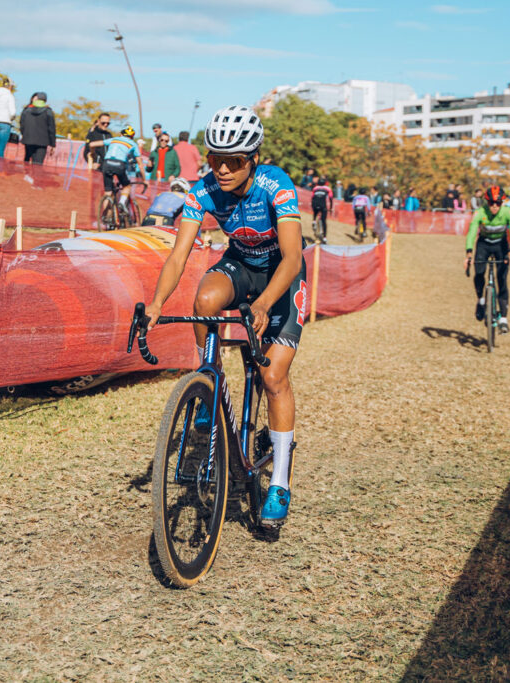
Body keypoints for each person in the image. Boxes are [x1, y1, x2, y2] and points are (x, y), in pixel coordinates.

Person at [144, 105, 305, 528]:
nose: (223, 170)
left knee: (272, 378)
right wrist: (156, 304)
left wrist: (266, 305)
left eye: (233, 162)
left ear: (253, 159)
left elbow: (292, 258)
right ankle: (207, 380)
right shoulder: (203, 191)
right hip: (241, 265)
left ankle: (280, 483)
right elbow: (179, 256)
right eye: (215, 160)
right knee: (205, 300)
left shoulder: (277, 185)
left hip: (281, 278)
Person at [464, 186, 510, 333]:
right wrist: (469, 252)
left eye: (498, 203)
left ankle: (503, 319)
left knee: (502, 278)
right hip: (483, 244)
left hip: (501, 245)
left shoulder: (509, 212)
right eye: (491, 203)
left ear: (502, 203)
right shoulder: (480, 212)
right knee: (479, 273)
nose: (494, 206)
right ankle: (481, 300)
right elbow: (471, 232)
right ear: (486, 202)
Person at [88, 125, 142, 211]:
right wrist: (144, 178)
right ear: (132, 137)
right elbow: (140, 163)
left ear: (121, 134)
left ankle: (104, 217)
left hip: (106, 163)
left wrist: (93, 154)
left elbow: (92, 144)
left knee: (108, 192)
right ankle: (121, 202)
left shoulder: (114, 139)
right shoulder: (133, 144)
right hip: (120, 164)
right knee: (127, 186)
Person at [19, 91, 56, 164]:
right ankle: (35, 175)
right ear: (45, 100)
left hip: (28, 140)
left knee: (27, 160)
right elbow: (51, 128)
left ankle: (27, 175)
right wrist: (52, 144)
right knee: (38, 164)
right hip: (42, 142)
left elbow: (22, 124)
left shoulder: (26, 110)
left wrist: (24, 134)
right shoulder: (48, 111)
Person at [310, 176, 333, 243]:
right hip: (323, 206)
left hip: (315, 205)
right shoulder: (327, 188)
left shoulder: (315, 188)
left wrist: (312, 206)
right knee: (324, 221)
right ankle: (325, 237)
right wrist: (331, 207)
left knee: (315, 212)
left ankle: (314, 220)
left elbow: (312, 197)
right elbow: (331, 198)